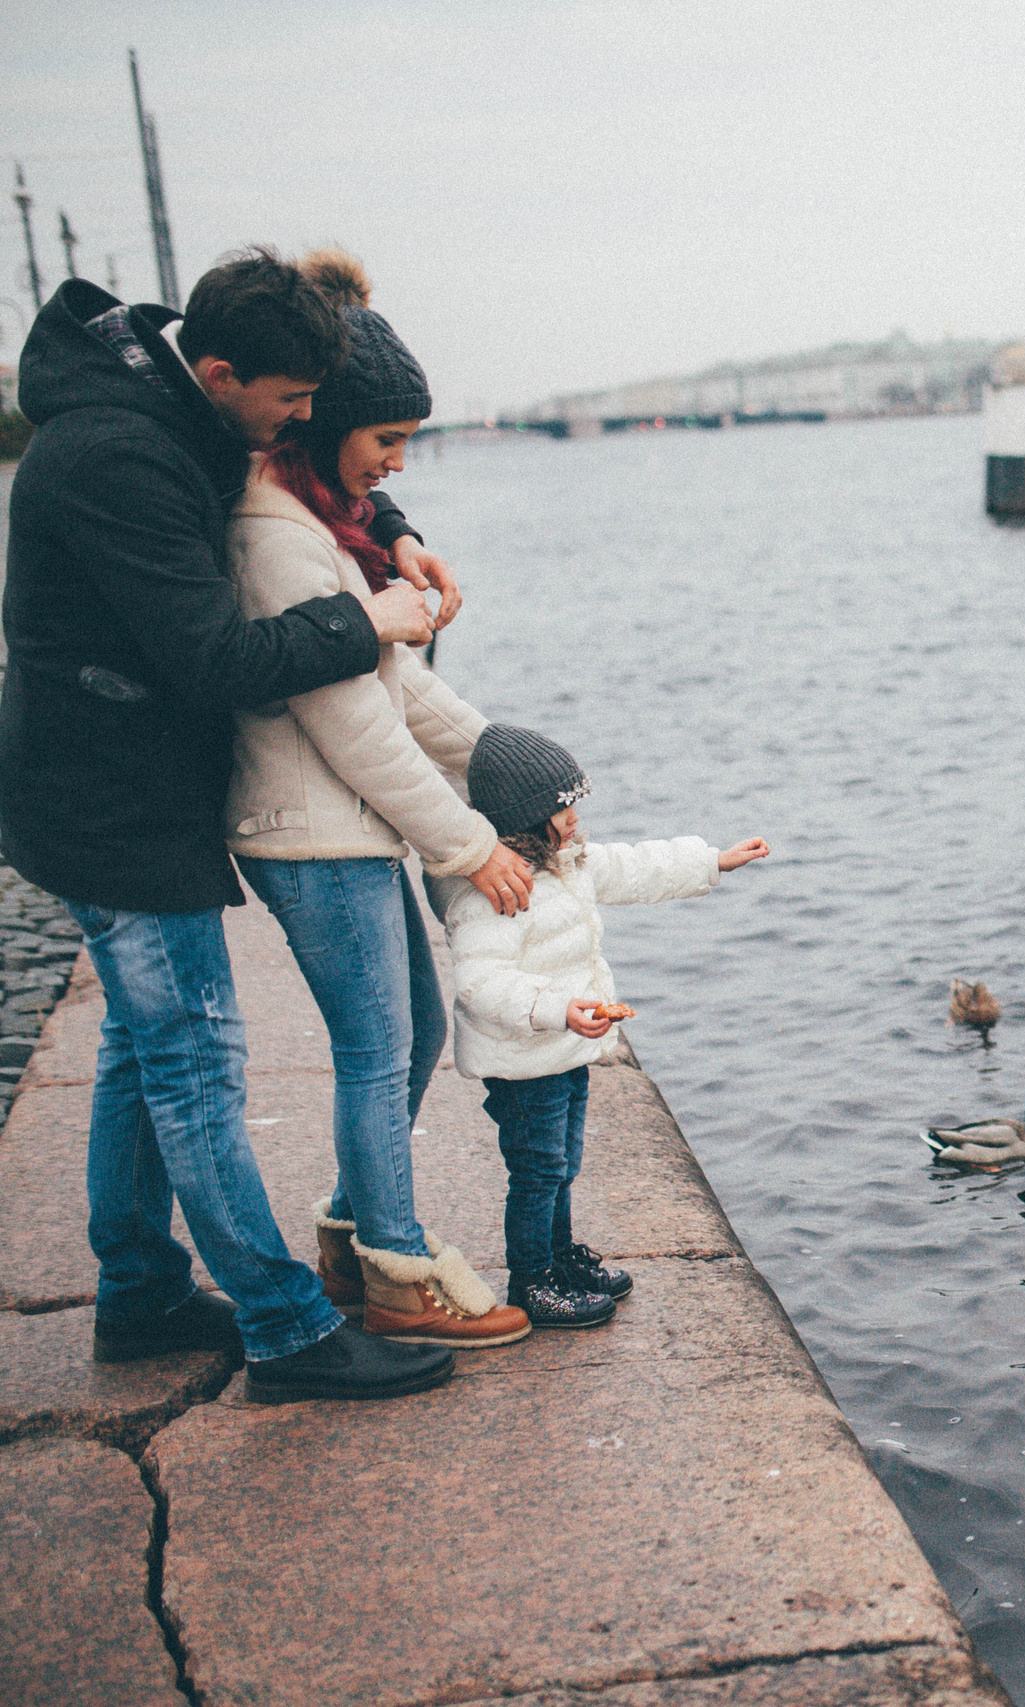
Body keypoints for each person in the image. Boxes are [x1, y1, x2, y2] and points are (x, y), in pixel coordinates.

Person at [0, 250, 454, 1401]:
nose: (302, 420)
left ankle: (141, 1292)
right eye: (292, 401)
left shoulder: (179, 397)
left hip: (127, 782)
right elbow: (215, 660)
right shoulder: (118, 458)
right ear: (220, 374)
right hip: (110, 801)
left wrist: (390, 525)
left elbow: (303, 459)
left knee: (138, 1049)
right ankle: (288, 1332)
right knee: (195, 1063)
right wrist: (369, 620)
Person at [224, 249, 535, 1349]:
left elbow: (401, 686)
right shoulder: (280, 539)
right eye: (387, 440)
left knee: (409, 1038)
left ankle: (355, 1236)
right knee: (376, 1049)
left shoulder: (321, 523)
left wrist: (515, 765)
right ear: (323, 427)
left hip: (341, 830)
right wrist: (471, 846)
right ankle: (397, 1268)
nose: (397, 465)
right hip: (312, 837)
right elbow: (358, 730)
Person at [444, 725, 767, 1326]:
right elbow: (479, 983)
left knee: (562, 1163)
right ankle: (532, 1281)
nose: (574, 816)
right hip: (524, 1060)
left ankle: (559, 1257)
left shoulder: (569, 865)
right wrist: (555, 1009)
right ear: (525, 816)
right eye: (562, 807)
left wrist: (712, 861)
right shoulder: (494, 892)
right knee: (537, 1172)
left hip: (563, 1051)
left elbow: (636, 867)